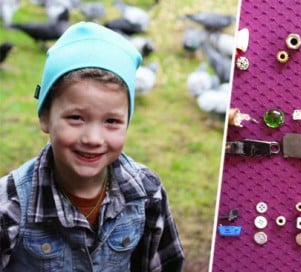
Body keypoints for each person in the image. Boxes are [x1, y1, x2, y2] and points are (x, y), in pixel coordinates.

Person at [0, 22, 184, 271]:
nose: (93, 138)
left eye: (111, 121)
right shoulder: (9, 206)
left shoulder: (148, 193)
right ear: (45, 116)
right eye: (76, 118)